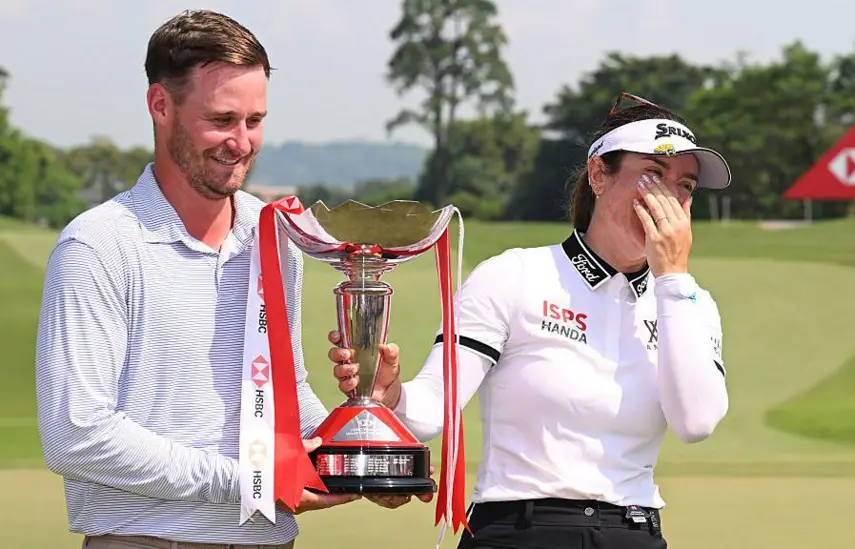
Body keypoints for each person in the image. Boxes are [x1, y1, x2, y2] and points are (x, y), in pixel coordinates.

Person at [34, 10, 414, 549]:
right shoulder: (98, 244)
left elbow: (281, 397)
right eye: (221, 119)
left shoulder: (276, 236)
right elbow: (77, 435)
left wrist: (365, 440)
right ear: (160, 105)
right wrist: (252, 482)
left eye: (254, 120)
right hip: (146, 540)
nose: (240, 142)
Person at [327, 92, 732, 549]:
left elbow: (695, 422)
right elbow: (427, 414)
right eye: (653, 176)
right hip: (518, 528)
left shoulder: (689, 302)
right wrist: (389, 394)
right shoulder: (513, 274)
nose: (669, 203)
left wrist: (673, 280)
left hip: (632, 530)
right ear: (599, 175)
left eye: (686, 186)